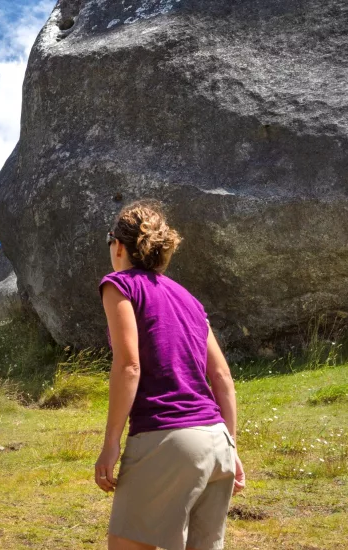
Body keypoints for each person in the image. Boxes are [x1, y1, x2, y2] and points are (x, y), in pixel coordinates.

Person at [94, 201, 246, 550]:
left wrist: (111, 443)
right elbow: (221, 376)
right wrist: (232, 446)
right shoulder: (189, 299)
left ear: (118, 245)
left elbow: (129, 365)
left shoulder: (119, 285)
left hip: (167, 438)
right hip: (216, 441)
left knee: (127, 543)